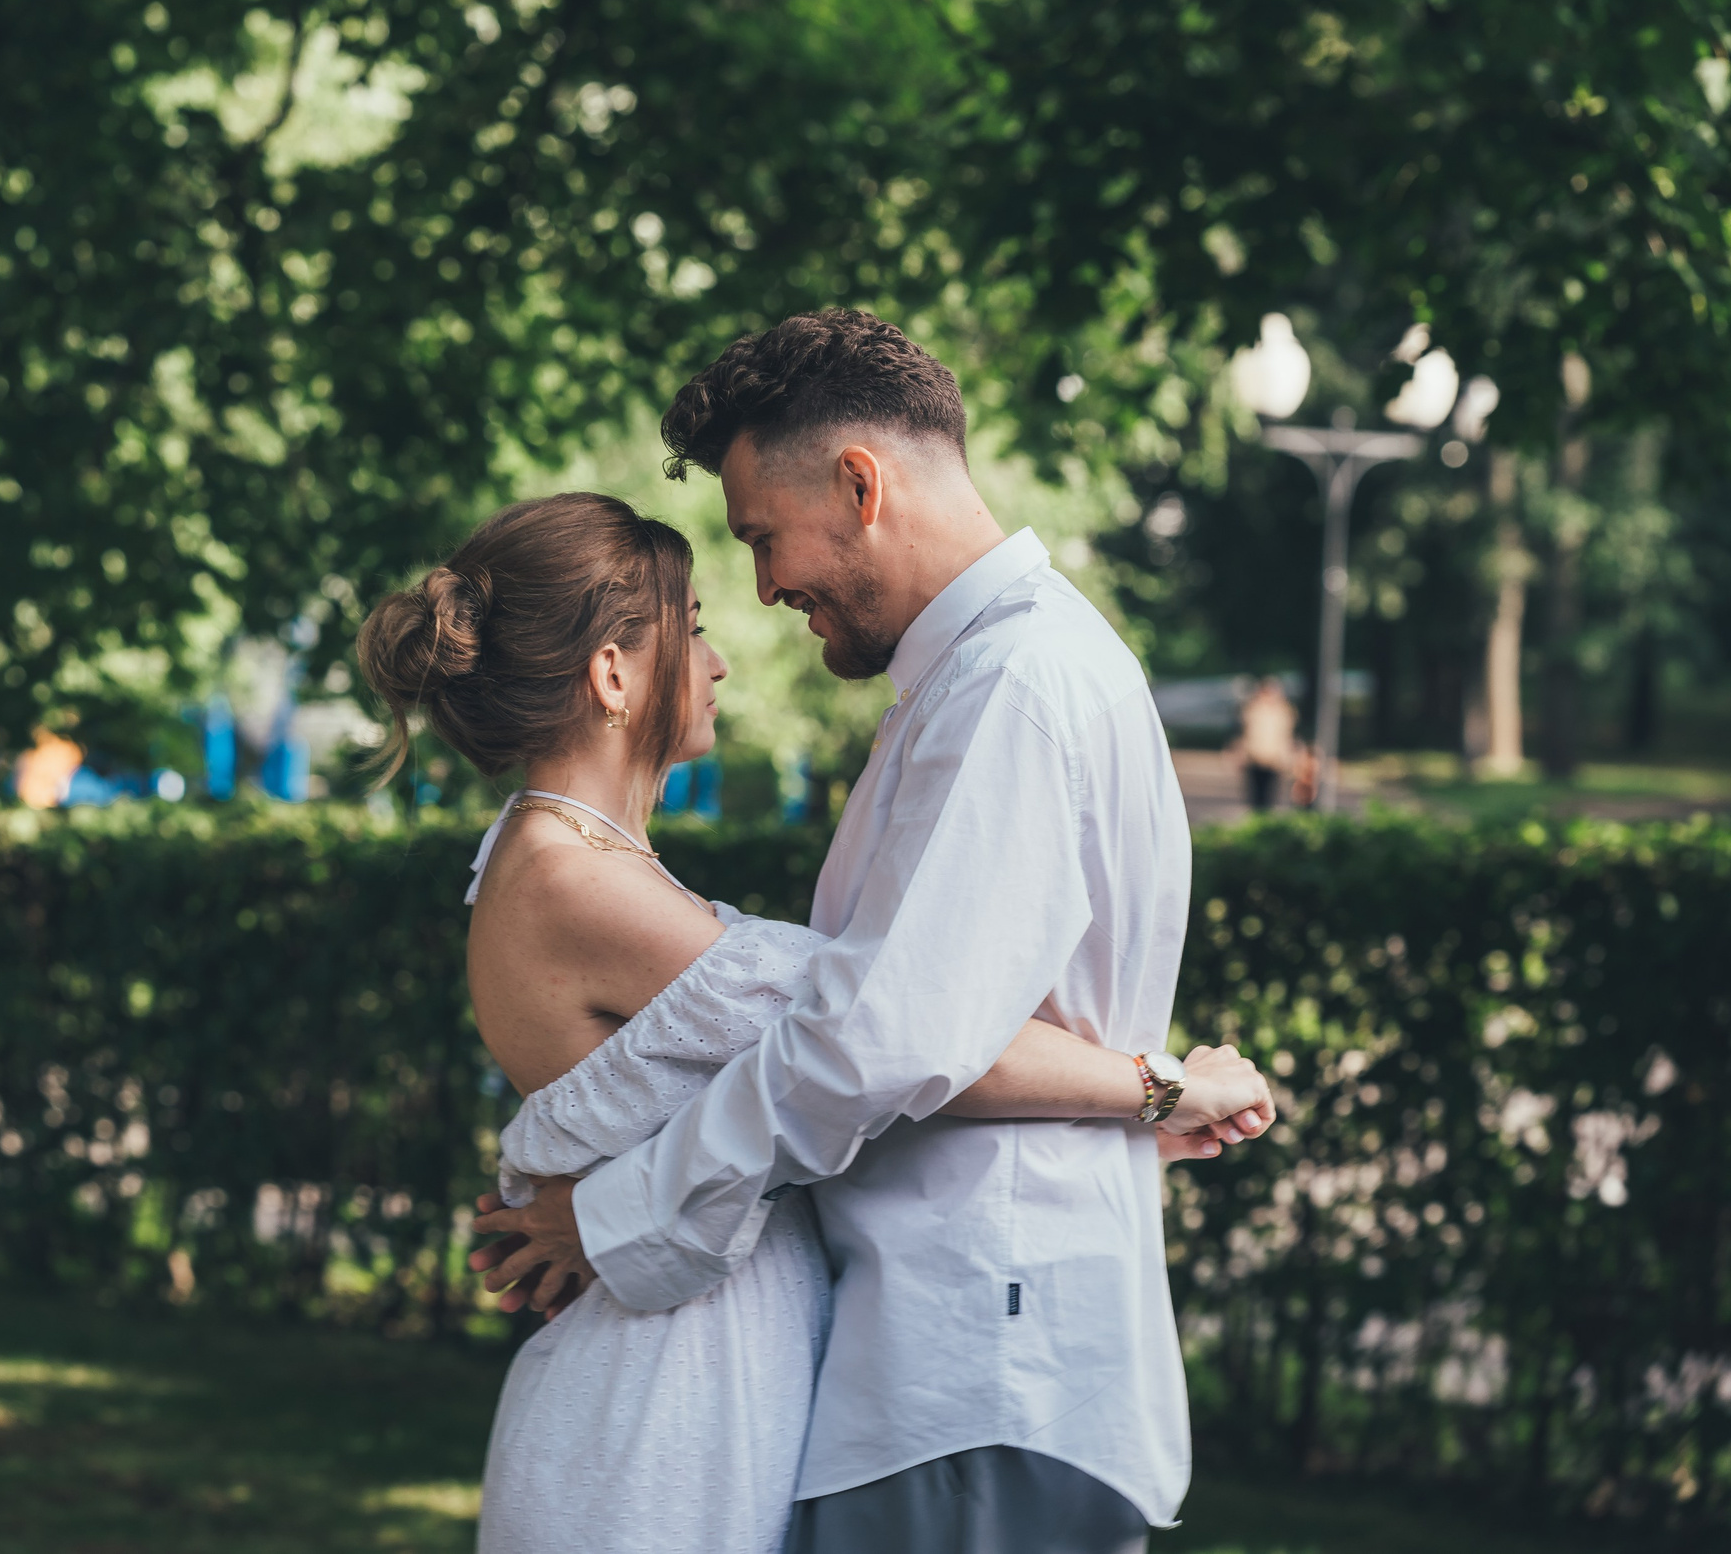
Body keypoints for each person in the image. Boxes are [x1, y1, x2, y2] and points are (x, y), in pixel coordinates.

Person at [468, 311, 1269, 1553]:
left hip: (972, 1376)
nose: (761, 589)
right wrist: (1149, 1093)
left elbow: (878, 1040)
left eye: (760, 538)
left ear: (858, 484)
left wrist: (619, 1215)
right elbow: (902, 1025)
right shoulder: (976, 682)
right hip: (946, 1373)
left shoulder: (1010, 687)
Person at [1232, 676, 1297, 812]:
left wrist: (1287, 757)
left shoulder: (1283, 712)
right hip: (1255, 758)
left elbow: (1286, 736)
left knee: (1270, 795)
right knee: (1254, 794)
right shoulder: (1252, 710)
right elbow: (1245, 734)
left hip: (1274, 760)